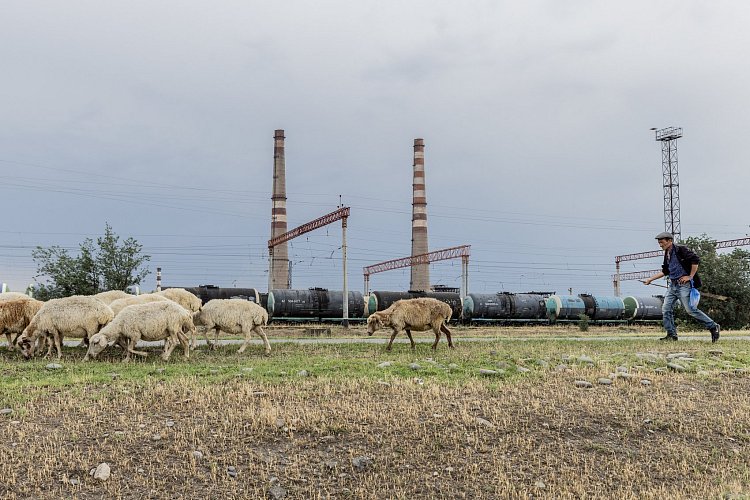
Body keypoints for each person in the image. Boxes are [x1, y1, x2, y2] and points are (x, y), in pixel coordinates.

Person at [643, 232, 720, 342]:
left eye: (662, 242)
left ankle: (713, 326)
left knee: (690, 310)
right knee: (666, 309)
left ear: (670, 241)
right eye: (659, 243)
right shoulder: (667, 253)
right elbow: (666, 271)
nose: (660, 245)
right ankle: (671, 335)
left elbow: (695, 260)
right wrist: (650, 279)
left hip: (684, 285)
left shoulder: (681, 249)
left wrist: (690, 276)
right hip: (673, 285)